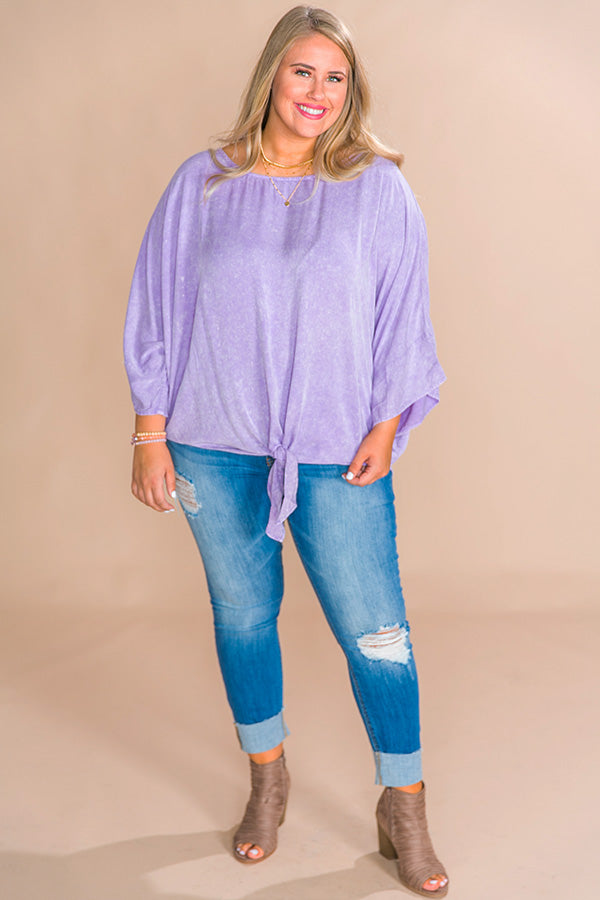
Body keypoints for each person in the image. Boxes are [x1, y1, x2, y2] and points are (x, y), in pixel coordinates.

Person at [123, 6, 449, 896]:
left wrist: (385, 425)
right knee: (242, 616)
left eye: (336, 78)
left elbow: (401, 314)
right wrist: (150, 433)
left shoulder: (376, 188)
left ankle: (405, 804)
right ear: (272, 73)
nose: (318, 92)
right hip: (210, 445)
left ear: (351, 92)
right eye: (303, 71)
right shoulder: (205, 183)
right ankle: (268, 778)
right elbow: (157, 306)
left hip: (336, 448)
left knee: (377, 632)